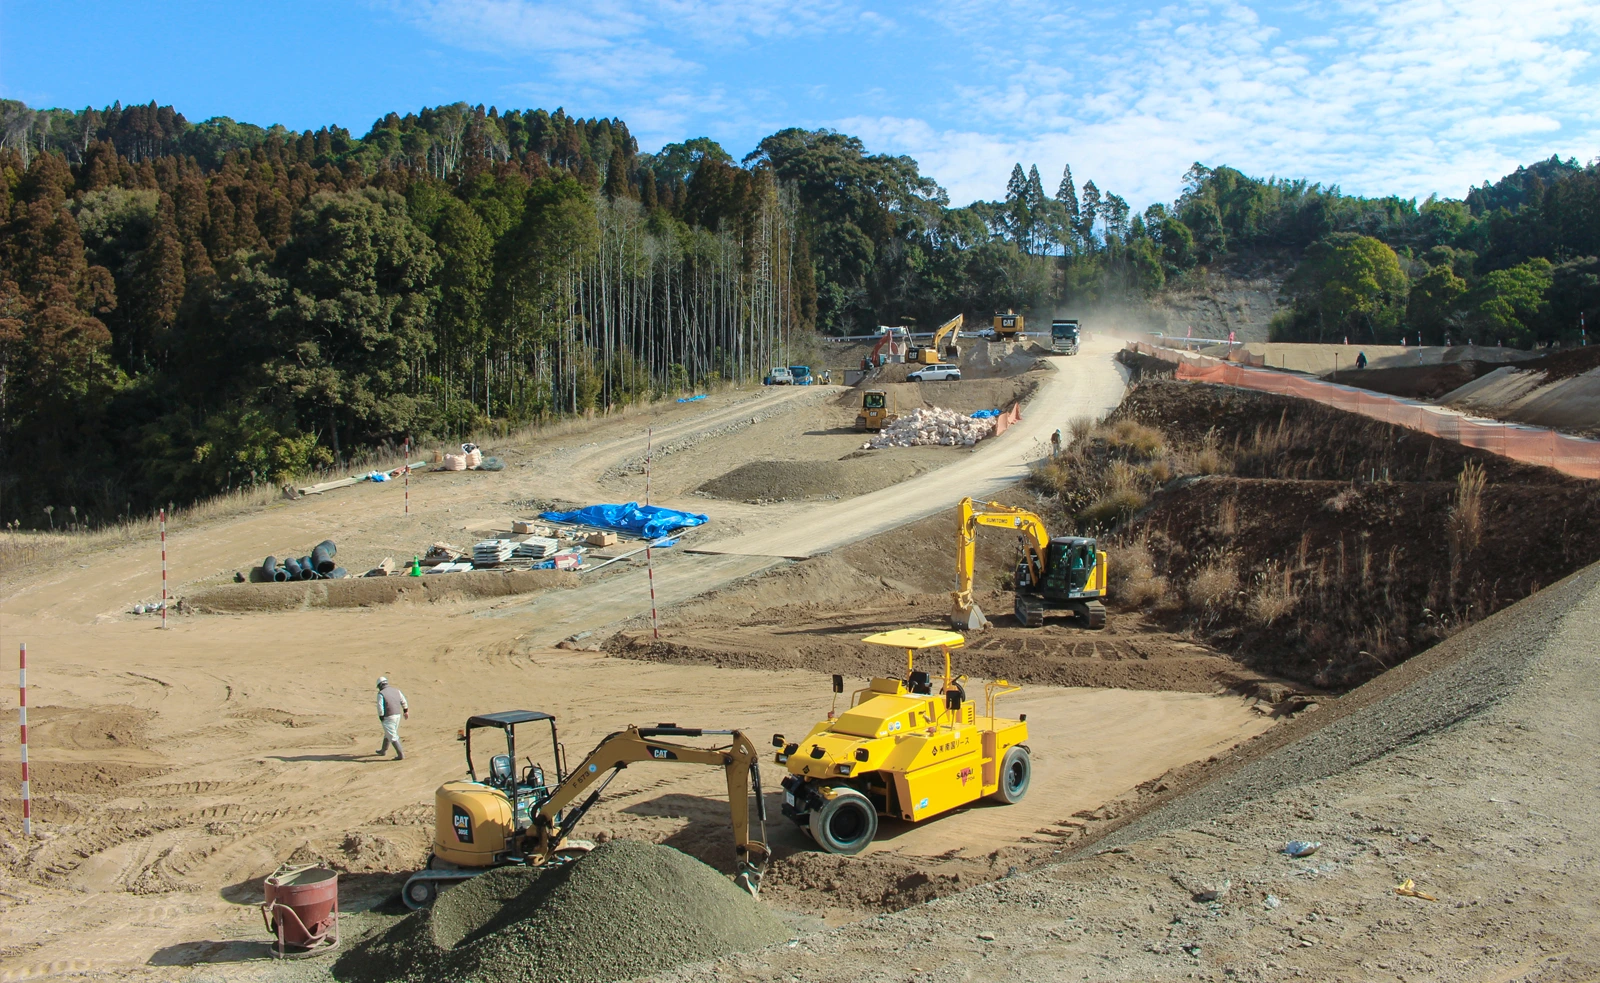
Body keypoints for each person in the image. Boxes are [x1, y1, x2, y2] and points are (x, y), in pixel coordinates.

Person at [374, 677, 409, 760]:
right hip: (397, 715)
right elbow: (403, 701)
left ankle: (400, 755)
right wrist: (405, 711)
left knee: (392, 735)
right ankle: (383, 750)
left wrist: (381, 716)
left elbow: (380, 707)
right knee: (388, 732)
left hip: (388, 716)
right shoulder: (396, 691)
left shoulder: (381, 693)